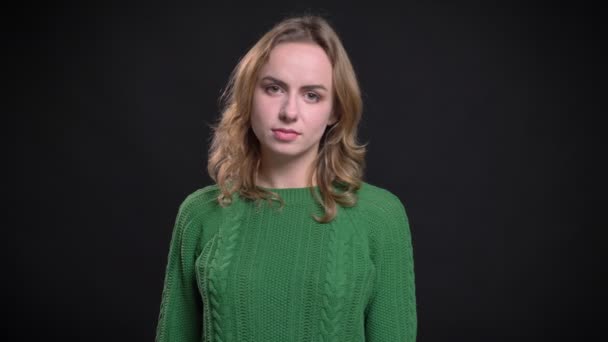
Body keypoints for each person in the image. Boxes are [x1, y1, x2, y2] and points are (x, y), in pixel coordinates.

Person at [155, 14, 417, 341]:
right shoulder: (199, 214)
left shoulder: (380, 216)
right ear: (249, 95)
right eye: (274, 88)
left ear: (335, 110)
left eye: (312, 95)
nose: (289, 111)